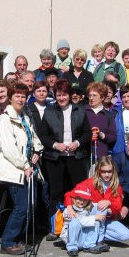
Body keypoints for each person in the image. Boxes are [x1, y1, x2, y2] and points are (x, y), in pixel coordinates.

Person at [0, 83, 43, 255]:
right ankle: (8, 242)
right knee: (22, 207)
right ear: (10, 98)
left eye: (23, 96)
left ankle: (18, 239)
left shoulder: (24, 118)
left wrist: (37, 151)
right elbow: (9, 149)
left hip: (27, 169)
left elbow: (33, 139)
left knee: (30, 206)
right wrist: (26, 165)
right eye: (17, 96)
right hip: (15, 170)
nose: (20, 99)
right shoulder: (5, 119)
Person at [38, 79, 91, 236]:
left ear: (70, 95)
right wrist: (55, 145)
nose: (61, 98)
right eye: (58, 95)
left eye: (64, 95)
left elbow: (87, 133)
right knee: (56, 193)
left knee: (77, 192)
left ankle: (79, 225)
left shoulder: (80, 110)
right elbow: (43, 135)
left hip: (76, 157)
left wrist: (77, 142)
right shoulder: (49, 111)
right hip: (55, 158)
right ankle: (55, 228)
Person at [66, 156, 129, 247]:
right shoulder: (90, 183)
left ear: (113, 171)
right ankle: (97, 239)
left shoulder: (116, 186)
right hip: (89, 217)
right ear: (98, 171)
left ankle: (94, 236)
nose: (106, 175)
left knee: (126, 234)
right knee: (100, 205)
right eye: (103, 171)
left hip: (106, 220)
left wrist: (109, 203)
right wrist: (69, 207)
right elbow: (70, 194)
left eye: (109, 171)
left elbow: (118, 206)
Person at [62, 182, 106, 257]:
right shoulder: (68, 210)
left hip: (82, 239)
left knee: (96, 222)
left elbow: (97, 205)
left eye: (85, 200)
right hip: (70, 238)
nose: (82, 202)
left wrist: (107, 205)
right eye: (79, 198)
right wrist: (95, 217)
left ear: (88, 201)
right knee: (75, 221)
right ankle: (71, 248)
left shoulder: (86, 209)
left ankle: (89, 245)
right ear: (74, 199)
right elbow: (81, 221)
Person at [84, 82, 117, 160]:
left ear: (102, 97)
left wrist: (102, 135)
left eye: (94, 95)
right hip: (85, 156)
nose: (91, 98)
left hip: (101, 156)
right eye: (90, 95)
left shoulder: (108, 115)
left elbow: (113, 137)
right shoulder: (82, 112)